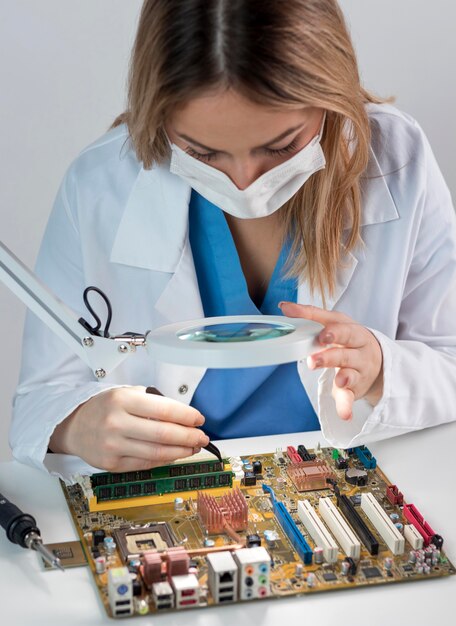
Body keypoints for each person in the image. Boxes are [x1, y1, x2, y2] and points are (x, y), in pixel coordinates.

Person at [10, 0, 456, 473]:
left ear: (331, 96)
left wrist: (383, 369)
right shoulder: (100, 184)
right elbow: (39, 401)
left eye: (281, 145)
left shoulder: (398, 159)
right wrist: (77, 425)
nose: (243, 181)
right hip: (177, 501)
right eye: (202, 153)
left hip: (341, 494)